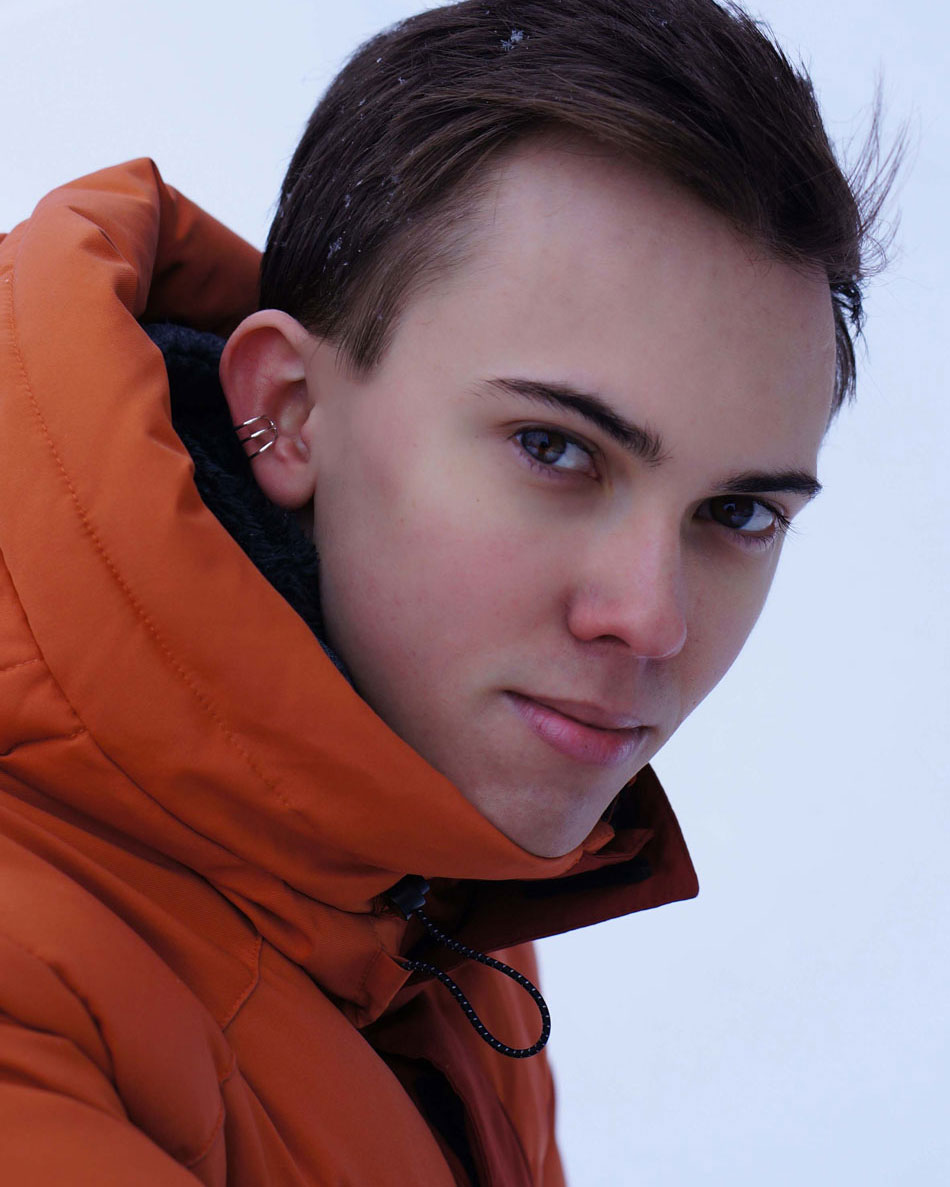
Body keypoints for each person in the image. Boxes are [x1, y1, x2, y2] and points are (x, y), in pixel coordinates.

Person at [0, 0, 896, 1183]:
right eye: (555, 448)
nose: (653, 617)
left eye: (736, 513)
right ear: (289, 411)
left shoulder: (422, 858)